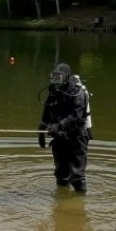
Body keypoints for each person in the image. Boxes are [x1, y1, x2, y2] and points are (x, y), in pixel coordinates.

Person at [37, 63, 91, 194]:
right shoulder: (54, 90)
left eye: (58, 77)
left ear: (66, 77)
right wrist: (41, 129)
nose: (55, 81)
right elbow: (48, 108)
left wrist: (58, 125)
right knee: (61, 173)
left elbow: (77, 116)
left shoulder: (77, 92)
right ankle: (61, 200)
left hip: (77, 136)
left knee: (77, 176)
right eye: (53, 77)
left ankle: (80, 203)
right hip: (59, 136)